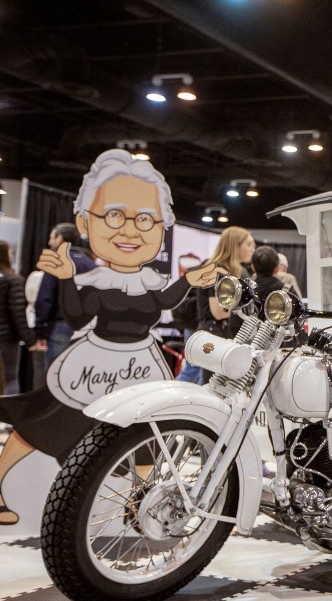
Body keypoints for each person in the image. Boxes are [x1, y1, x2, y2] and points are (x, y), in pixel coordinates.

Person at [0, 148, 220, 526]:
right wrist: (68, 278)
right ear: (85, 223)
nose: (131, 230)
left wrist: (188, 280)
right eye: (115, 215)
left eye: (146, 219)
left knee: (146, 435)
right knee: (47, 422)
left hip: (139, 366)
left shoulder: (149, 280)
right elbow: (79, 314)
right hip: (93, 365)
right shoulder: (96, 279)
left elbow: (162, 300)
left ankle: (140, 503)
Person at [32, 223, 96, 369]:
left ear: (59, 238)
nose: (49, 242)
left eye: (51, 237)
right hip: (87, 328)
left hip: (61, 325)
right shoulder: (91, 264)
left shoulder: (56, 261)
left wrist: (39, 331)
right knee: (78, 375)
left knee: (56, 376)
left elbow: (44, 299)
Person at [197, 226, 255, 341]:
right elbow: (219, 312)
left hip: (225, 334)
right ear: (235, 246)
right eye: (248, 245)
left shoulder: (239, 271)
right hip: (213, 338)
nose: (252, 249)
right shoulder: (218, 270)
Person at [0, 242, 35, 394]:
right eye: (10, 252)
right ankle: (9, 416)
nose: (12, 254)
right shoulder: (13, 280)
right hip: (6, 338)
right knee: (10, 378)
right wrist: (30, 340)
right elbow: (18, 313)